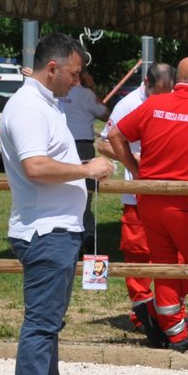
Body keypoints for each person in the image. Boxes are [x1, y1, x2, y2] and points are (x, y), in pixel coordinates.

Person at [0, 32, 114, 375]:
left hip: (57, 228)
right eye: (73, 73)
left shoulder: (44, 104)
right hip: (44, 230)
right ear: (53, 68)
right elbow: (35, 167)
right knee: (41, 325)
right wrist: (87, 169)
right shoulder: (29, 107)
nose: (77, 81)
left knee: (49, 324)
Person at [108, 55, 188, 350]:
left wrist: (135, 169)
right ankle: (164, 317)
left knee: (165, 264)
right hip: (182, 204)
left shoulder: (153, 104)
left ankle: (172, 330)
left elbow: (114, 133)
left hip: (148, 201)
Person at [99, 61, 176, 343]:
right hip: (137, 194)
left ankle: (169, 308)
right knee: (138, 251)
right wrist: (136, 163)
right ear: (146, 83)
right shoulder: (128, 104)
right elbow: (104, 143)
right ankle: (141, 312)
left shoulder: (175, 101)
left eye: (167, 93)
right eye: (157, 93)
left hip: (168, 191)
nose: (162, 99)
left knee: (171, 253)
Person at [58, 65, 109, 242]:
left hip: (61, 146)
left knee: (63, 190)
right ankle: (84, 232)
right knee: (84, 194)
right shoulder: (85, 94)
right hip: (82, 147)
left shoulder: (57, 93)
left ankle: (74, 230)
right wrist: (92, 90)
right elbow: (105, 114)